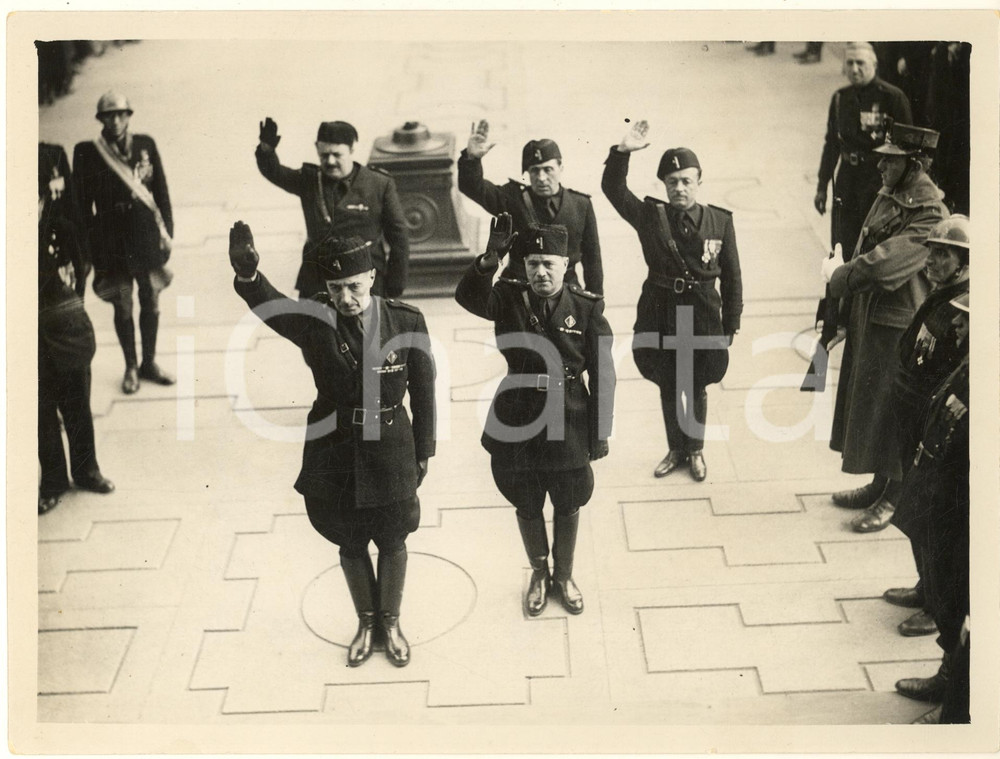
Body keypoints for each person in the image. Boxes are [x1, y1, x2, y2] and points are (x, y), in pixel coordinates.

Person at [229, 222, 435, 667]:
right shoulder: (315, 320)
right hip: (335, 448)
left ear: (372, 279)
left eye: (355, 287)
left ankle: (391, 621)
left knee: (394, 535)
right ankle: (366, 621)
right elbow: (271, 306)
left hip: (391, 447)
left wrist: (423, 451)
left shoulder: (405, 320)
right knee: (349, 537)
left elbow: (424, 389)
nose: (346, 298)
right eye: (336, 288)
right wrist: (249, 277)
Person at [455, 214, 615, 616]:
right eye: (532, 264)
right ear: (523, 266)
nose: (541, 272)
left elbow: (605, 376)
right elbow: (469, 298)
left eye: (549, 264)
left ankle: (564, 575)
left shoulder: (586, 307)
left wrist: (599, 434)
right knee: (525, 499)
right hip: (518, 414)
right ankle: (539, 573)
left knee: (568, 499)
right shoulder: (509, 298)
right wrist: (491, 259)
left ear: (565, 265)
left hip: (569, 417)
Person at [822, 122, 949, 532]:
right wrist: (840, 309)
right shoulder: (892, 193)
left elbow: (886, 264)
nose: (880, 164)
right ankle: (879, 482)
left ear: (913, 164)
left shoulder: (929, 211)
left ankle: (894, 495)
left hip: (899, 325)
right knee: (874, 408)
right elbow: (865, 248)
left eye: (890, 160)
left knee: (894, 412)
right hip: (872, 319)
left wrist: (838, 276)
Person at [602, 120, 742, 482]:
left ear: (698, 182)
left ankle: (695, 449)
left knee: (695, 383)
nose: (679, 188)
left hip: (702, 314)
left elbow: (732, 275)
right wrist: (623, 152)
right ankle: (675, 448)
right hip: (660, 310)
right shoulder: (651, 216)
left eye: (686, 181)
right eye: (672, 182)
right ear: (664, 185)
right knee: (667, 380)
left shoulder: (719, 221)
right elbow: (613, 189)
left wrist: (731, 322)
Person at [883, 215, 969, 638]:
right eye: (932, 251)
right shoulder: (941, 296)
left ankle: (937, 605)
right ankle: (925, 587)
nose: (932, 260)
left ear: (964, 262)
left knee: (933, 522)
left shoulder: (964, 308)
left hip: (935, 430)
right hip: (915, 418)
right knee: (917, 516)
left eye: (943, 254)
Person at [891, 293, 969, 719]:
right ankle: (950, 678)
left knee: (961, 603)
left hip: (963, 515)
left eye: (967, 320)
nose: (955, 325)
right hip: (943, 504)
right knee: (947, 593)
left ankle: (955, 698)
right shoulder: (967, 365)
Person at [73, 91, 175, 395]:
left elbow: (161, 191)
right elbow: (81, 206)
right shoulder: (87, 152)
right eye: (109, 115)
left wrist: (166, 233)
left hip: (145, 239)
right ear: (101, 119)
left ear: (129, 116)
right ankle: (130, 365)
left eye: (120, 114)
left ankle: (150, 362)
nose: (115, 121)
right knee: (123, 306)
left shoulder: (145, 145)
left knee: (152, 301)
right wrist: (91, 248)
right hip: (111, 244)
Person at [255, 117, 410, 300]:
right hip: (318, 277)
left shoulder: (379, 184)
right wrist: (266, 149)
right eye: (324, 155)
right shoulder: (309, 180)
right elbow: (274, 172)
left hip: (364, 278)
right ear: (317, 148)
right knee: (314, 326)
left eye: (337, 155)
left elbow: (399, 237)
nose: (329, 161)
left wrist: (394, 285)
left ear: (352, 149)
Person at [38, 142, 114, 513]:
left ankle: (87, 471)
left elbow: (80, 271)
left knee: (77, 406)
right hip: (29, 340)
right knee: (40, 412)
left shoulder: (62, 228)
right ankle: (53, 480)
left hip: (66, 333)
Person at [458, 119, 604, 294]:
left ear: (561, 167)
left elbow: (592, 260)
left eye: (548, 169)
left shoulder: (581, 204)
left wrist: (594, 304)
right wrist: (472, 158)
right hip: (520, 291)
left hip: (566, 292)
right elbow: (473, 187)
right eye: (534, 170)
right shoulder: (512, 199)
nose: (541, 178)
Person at [814, 42, 912, 257]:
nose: (855, 68)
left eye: (861, 63)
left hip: (877, 181)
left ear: (874, 65)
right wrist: (822, 185)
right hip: (847, 180)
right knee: (841, 243)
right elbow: (832, 144)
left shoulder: (892, 98)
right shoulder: (840, 98)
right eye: (850, 63)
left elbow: (907, 149)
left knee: (874, 245)